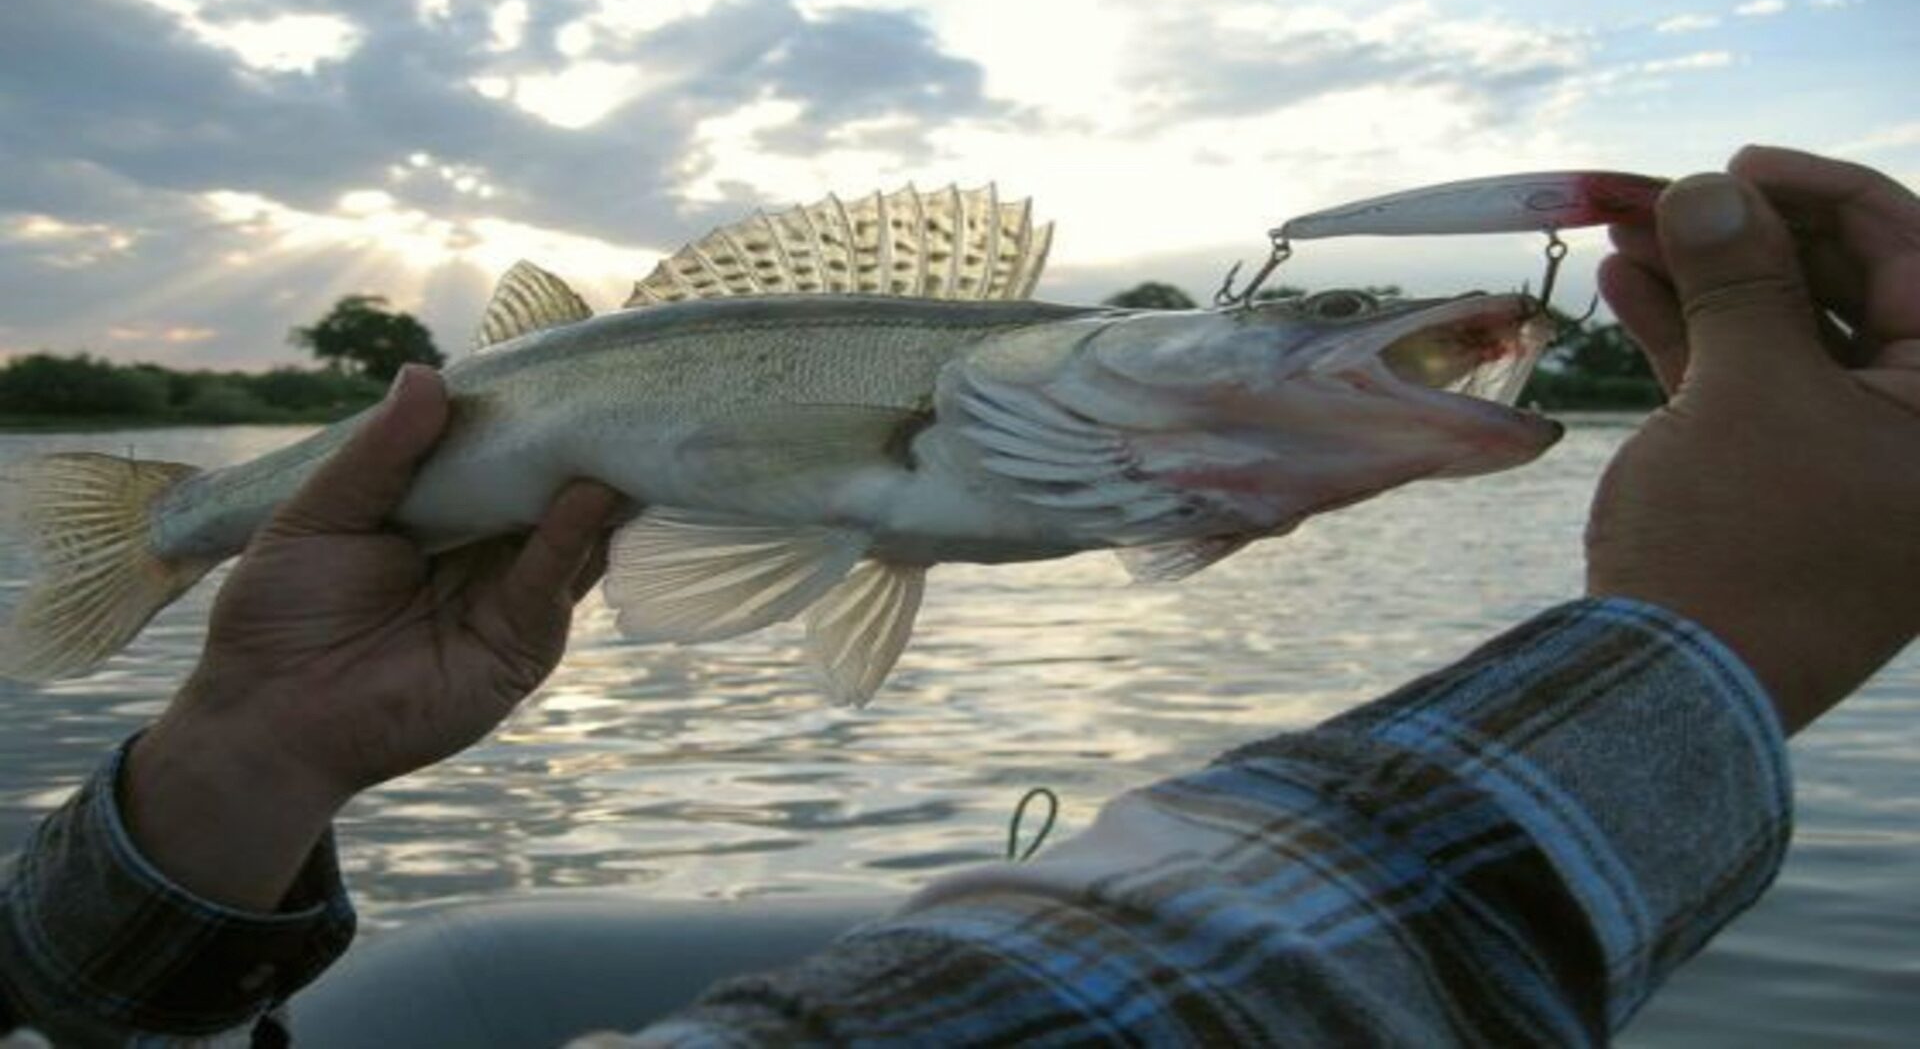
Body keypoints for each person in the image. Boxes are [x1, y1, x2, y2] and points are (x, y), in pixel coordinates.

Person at [2, 145, 1916, 1046]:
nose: (1354, 343)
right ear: (1096, 352)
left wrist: (246, 755)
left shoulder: (1010, 450)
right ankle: (146, 538)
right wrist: (1728, 641)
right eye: (1310, 317)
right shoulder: (974, 390)